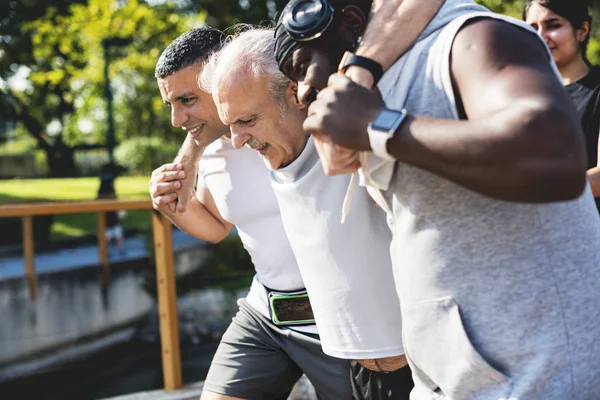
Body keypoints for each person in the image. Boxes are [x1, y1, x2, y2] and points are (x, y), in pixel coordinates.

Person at [278, 0, 600, 398]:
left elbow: (557, 160)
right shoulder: (384, 82)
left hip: (544, 381)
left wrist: (378, 126)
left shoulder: (473, 38)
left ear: (349, 22)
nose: (303, 91)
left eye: (301, 66)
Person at [202, 27, 418, 399]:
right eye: (230, 123)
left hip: (418, 367)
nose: (237, 139)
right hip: (358, 370)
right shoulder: (276, 151)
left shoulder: (351, 135)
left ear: (296, 94)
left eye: (248, 121)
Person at [150, 28, 352, 400]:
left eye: (188, 99)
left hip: (341, 317)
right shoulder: (213, 150)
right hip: (266, 317)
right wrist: (174, 205)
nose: (177, 118)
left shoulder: (292, 119)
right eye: (171, 104)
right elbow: (214, 226)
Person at [524, 0, 600, 213]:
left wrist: (536, 193)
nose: (541, 36)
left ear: (582, 31)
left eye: (553, 25)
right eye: (532, 28)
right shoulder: (526, 96)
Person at [97, 179, 124, 254]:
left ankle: (115, 250)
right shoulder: (109, 198)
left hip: (111, 223)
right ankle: (107, 251)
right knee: (110, 238)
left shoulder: (109, 198)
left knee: (118, 236)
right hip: (109, 224)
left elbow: (120, 211)